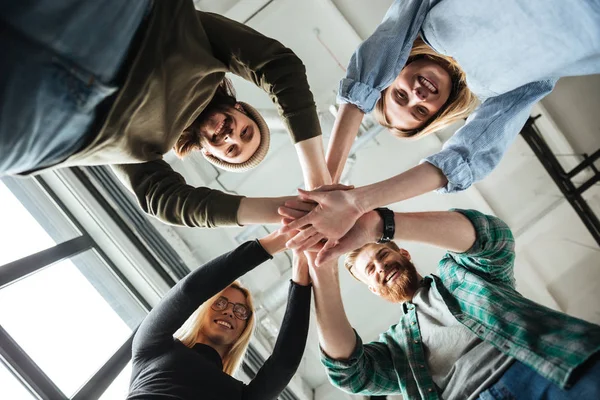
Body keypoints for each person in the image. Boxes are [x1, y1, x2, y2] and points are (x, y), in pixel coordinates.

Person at [279, 0, 600, 256]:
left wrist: (324, 184)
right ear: (440, 112)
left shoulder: (427, 18)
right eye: (420, 110)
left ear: (396, 67)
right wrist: (357, 202)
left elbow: (383, 46)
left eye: (400, 94)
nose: (417, 96)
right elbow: (468, 156)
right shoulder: (499, 92)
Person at [1, 0, 331, 229]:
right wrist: (317, 182)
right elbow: (280, 67)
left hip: (53, 127)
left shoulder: (150, 150)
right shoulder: (209, 57)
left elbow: (164, 201)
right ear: (241, 109)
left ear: (208, 153)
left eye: (230, 149)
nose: (230, 136)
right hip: (123, 27)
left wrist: (290, 212)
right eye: (245, 132)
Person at [305, 208, 600, 399]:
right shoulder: (396, 348)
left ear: (404, 255)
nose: (380, 267)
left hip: (550, 366)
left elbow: (494, 238)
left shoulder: (462, 273)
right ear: (372, 289)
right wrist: (322, 269)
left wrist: (379, 226)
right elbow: (349, 374)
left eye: (382, 255)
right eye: (371, 270)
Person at [127, 230, 312, 399]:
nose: (229, 311)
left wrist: (302, 267)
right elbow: (189, 291)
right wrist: (280, 239)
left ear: (244, 329)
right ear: (203, 309)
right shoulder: (152, 348)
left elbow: (284, 362)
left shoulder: (241, 396)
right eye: (220, 303)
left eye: (240, 311)